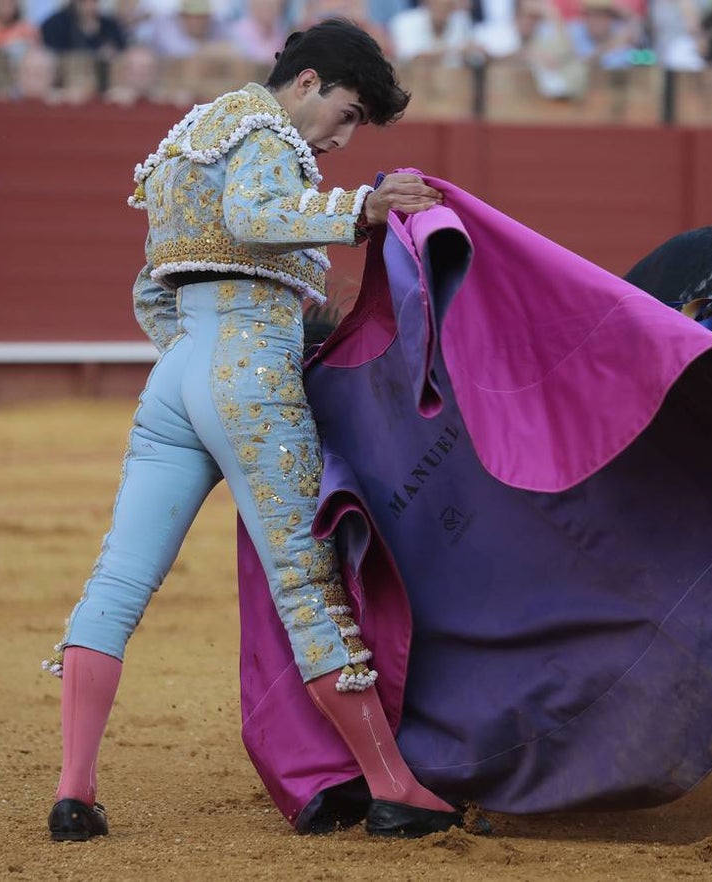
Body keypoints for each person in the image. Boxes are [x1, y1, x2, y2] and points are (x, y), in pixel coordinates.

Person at [42, 18, 458, 842]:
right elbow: (258, 212)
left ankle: (74, 791)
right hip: (249, 374)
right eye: (345, 112)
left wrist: (195, 368)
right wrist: (363, 208)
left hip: (178, 377)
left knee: (118, 583)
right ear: (306, 82)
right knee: (308, 586)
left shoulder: (187, 140)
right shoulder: (264, 132)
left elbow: (150, 287)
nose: (343, 135)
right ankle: (392, 785)